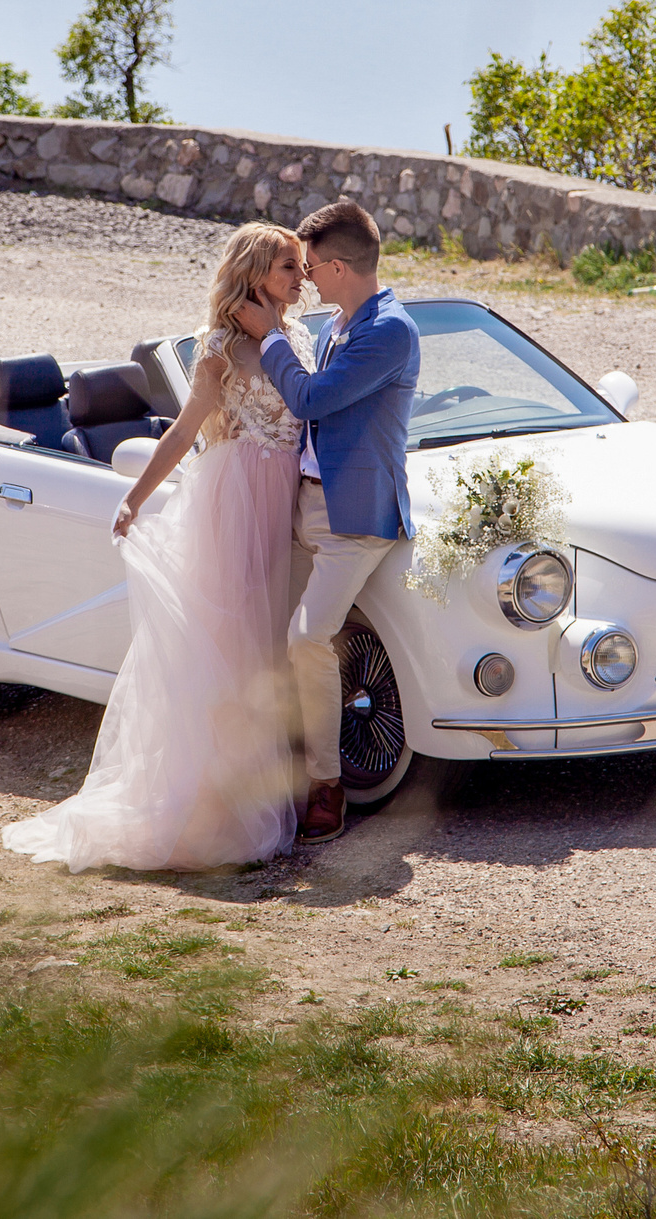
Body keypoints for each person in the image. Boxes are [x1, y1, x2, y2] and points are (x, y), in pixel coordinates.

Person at [2, 222, 315, 873]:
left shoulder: (298, 336)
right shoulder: (221, 347)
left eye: (299, 266)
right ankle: (219, 804)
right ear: (256, 271)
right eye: (288, 265)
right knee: (238, 649)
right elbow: (181, 434)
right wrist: (135, 497)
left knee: (286, 643)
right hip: (235, 502)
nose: (299, 276)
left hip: (289, 491)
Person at [237, 199, 419, 844]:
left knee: (308, 639)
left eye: (312, 265)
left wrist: (269, 336)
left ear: (339, 266)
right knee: (261, 629)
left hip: (355, 518)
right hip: (304, 505)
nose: (306, 276)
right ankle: (270, 764)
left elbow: (311, 397)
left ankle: (327, 784)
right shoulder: (346, 320)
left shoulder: (387, 330)